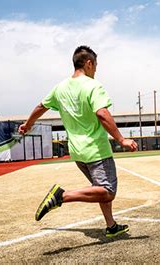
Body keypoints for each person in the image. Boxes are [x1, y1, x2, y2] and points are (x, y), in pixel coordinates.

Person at [18, 45, 138, 238]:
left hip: (78, 153)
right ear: (89, 63)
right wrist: (121, 139)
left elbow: (41, 106)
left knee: (99, 189)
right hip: (96, 150)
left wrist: (27, 124)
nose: (96, 69)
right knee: (108, 191)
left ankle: (111, 225)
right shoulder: (93, 86)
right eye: (96, 65)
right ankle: (61, 196)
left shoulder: (60, 88)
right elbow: (102, 113)